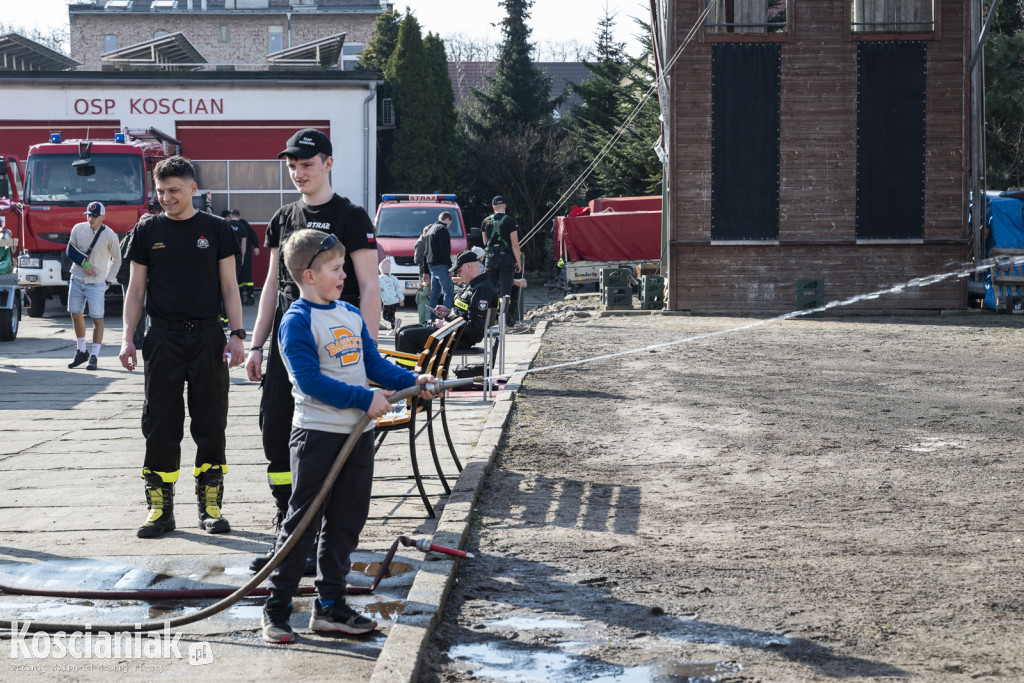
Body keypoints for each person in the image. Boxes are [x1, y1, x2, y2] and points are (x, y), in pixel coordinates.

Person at [259, 229, 435, 644]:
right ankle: (277, 607)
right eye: (336, 269)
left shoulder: (350, 315)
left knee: (345, 524)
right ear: (308, 275)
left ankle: (330, 608)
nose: (344, 275)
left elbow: (375, 364)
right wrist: (364, 398)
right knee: (302, 524)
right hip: (317, 438)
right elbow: (309, 382)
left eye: (342, 267)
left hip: (357, 438)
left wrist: (415, 379)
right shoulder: (297, 322)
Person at [245, 128, 381, 572]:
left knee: (326, 445)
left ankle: (318, 540)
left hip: (336, 350)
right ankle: (289, 532)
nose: (298, 173)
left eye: (306, 164)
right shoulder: (283, 218)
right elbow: (270, 286)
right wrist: (256, 345)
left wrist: (367, 354)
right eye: (292, 166)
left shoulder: (351, 216)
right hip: (290, 349)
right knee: (277, 435)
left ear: (328, 163)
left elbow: (370, 287)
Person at [118, 156, 245, 539]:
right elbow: (135, 289)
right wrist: (127, 336)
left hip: (208, 336)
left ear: (193, 189)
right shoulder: (146, 230)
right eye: (160, 192)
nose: (166, 198)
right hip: (163, 338)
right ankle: (160, 509)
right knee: (160, 423)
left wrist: (238, 334)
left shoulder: (216, 229)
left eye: (173, 190)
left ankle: (210, 506)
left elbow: (229, 287)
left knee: (210, 422)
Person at [395, 249, 497, 357]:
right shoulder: (474, 285)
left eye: (459, 270)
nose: (457, 274)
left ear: (469, 267)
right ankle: (405, 371)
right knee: (400, 331)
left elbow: (475, 330)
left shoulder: (482, 290)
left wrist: (446, 325)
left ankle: (407, 373)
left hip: (457, 338)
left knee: (406, 336)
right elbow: (464, 313)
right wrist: (448, 313)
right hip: (452, 332)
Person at [65, 201, 121, 371]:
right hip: (77, 278)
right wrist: (85, 265)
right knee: (75, 314)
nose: (91, 219)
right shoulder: (78, 229)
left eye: (95, 216)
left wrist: (108, 280)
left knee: (97, 318)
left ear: (102, 217)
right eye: (89, 215)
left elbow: (117, 260)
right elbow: (70, 251)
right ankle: (81, 351)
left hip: (97, 283)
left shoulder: (110, 235)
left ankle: (94, 355)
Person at [480, 196, 522, 303]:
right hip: (506, 258)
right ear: (505, 206)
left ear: (493, 208)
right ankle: (504, 317)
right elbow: (515, 245)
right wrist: (518, 262)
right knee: (505, 291)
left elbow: (485, 242)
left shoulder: (485, 221)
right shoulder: (511, 221)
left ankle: (490, 316)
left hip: (490, 258)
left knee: (490, 289)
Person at [425, 211, 455, 317]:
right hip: (442, 265)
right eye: (449, 223)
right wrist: (451, 267)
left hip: (432, 266)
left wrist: (425, 270)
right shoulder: (442, 229)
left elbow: (426, 252)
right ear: (447, 220)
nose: (449, 226)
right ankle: (446, 319)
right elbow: (445, 250)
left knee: (434, 294)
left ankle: (432, 319)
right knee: (449, 292)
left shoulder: (430, 230)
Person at [232, 209, 259, 306]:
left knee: (246, 274)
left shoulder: (243, 224)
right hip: (240, 253)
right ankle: (239, 297)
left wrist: (256, 246)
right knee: (238, 276)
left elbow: (252, 234)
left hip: (245, 252)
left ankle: (250, 297)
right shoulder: (235, 225)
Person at [378, 256, 404, 334]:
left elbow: (376, 289)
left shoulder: (379, 278)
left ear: (381, 270)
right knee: (392, 314)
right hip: (395, 300)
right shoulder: (394, 278)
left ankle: (395, 321)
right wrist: (401, 299)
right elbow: (399, 289)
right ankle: (393, 330)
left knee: (386, 316)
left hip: (387, 301)